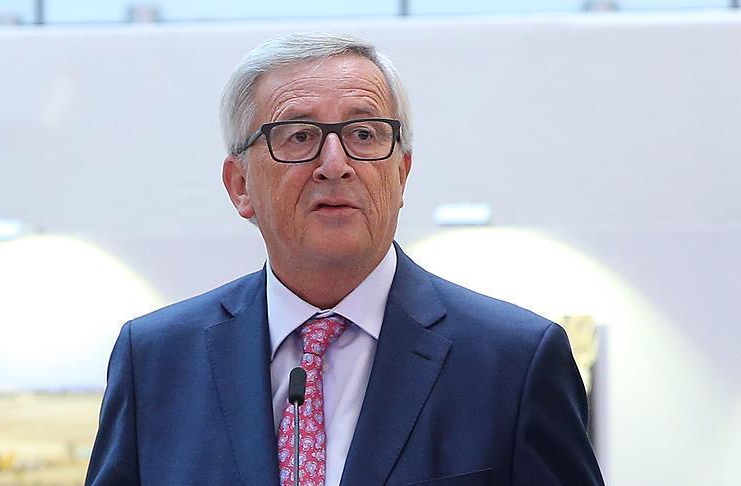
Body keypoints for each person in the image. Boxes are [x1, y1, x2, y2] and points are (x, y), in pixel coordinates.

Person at [85, 32, 604, 486]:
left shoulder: (513, 363)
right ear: (240, 185)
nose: (335, 165)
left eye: (363, 134)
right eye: (299, 136)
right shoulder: (155, 360)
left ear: (401, 173)